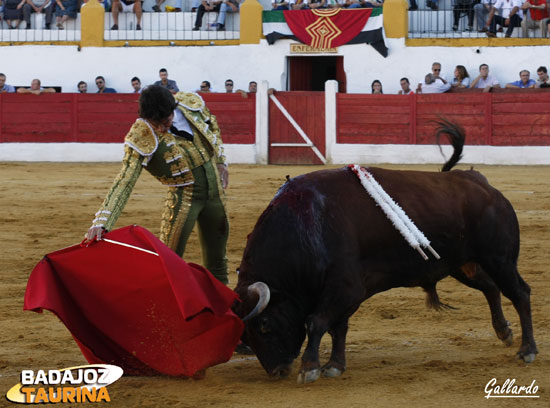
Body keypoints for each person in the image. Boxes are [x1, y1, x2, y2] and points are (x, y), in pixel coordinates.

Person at [85, 85, 230, 284]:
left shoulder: (189, 104)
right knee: (168, 262)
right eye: (156, 124)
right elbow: (125, 181)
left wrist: (221, 160)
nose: (162, 129)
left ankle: (221, 311)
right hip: (185, 200)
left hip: (216, 196)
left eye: (166, 122)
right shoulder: (140, 134)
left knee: (218, 262)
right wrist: (102, 222)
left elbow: (211, 123)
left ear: (173, 109)